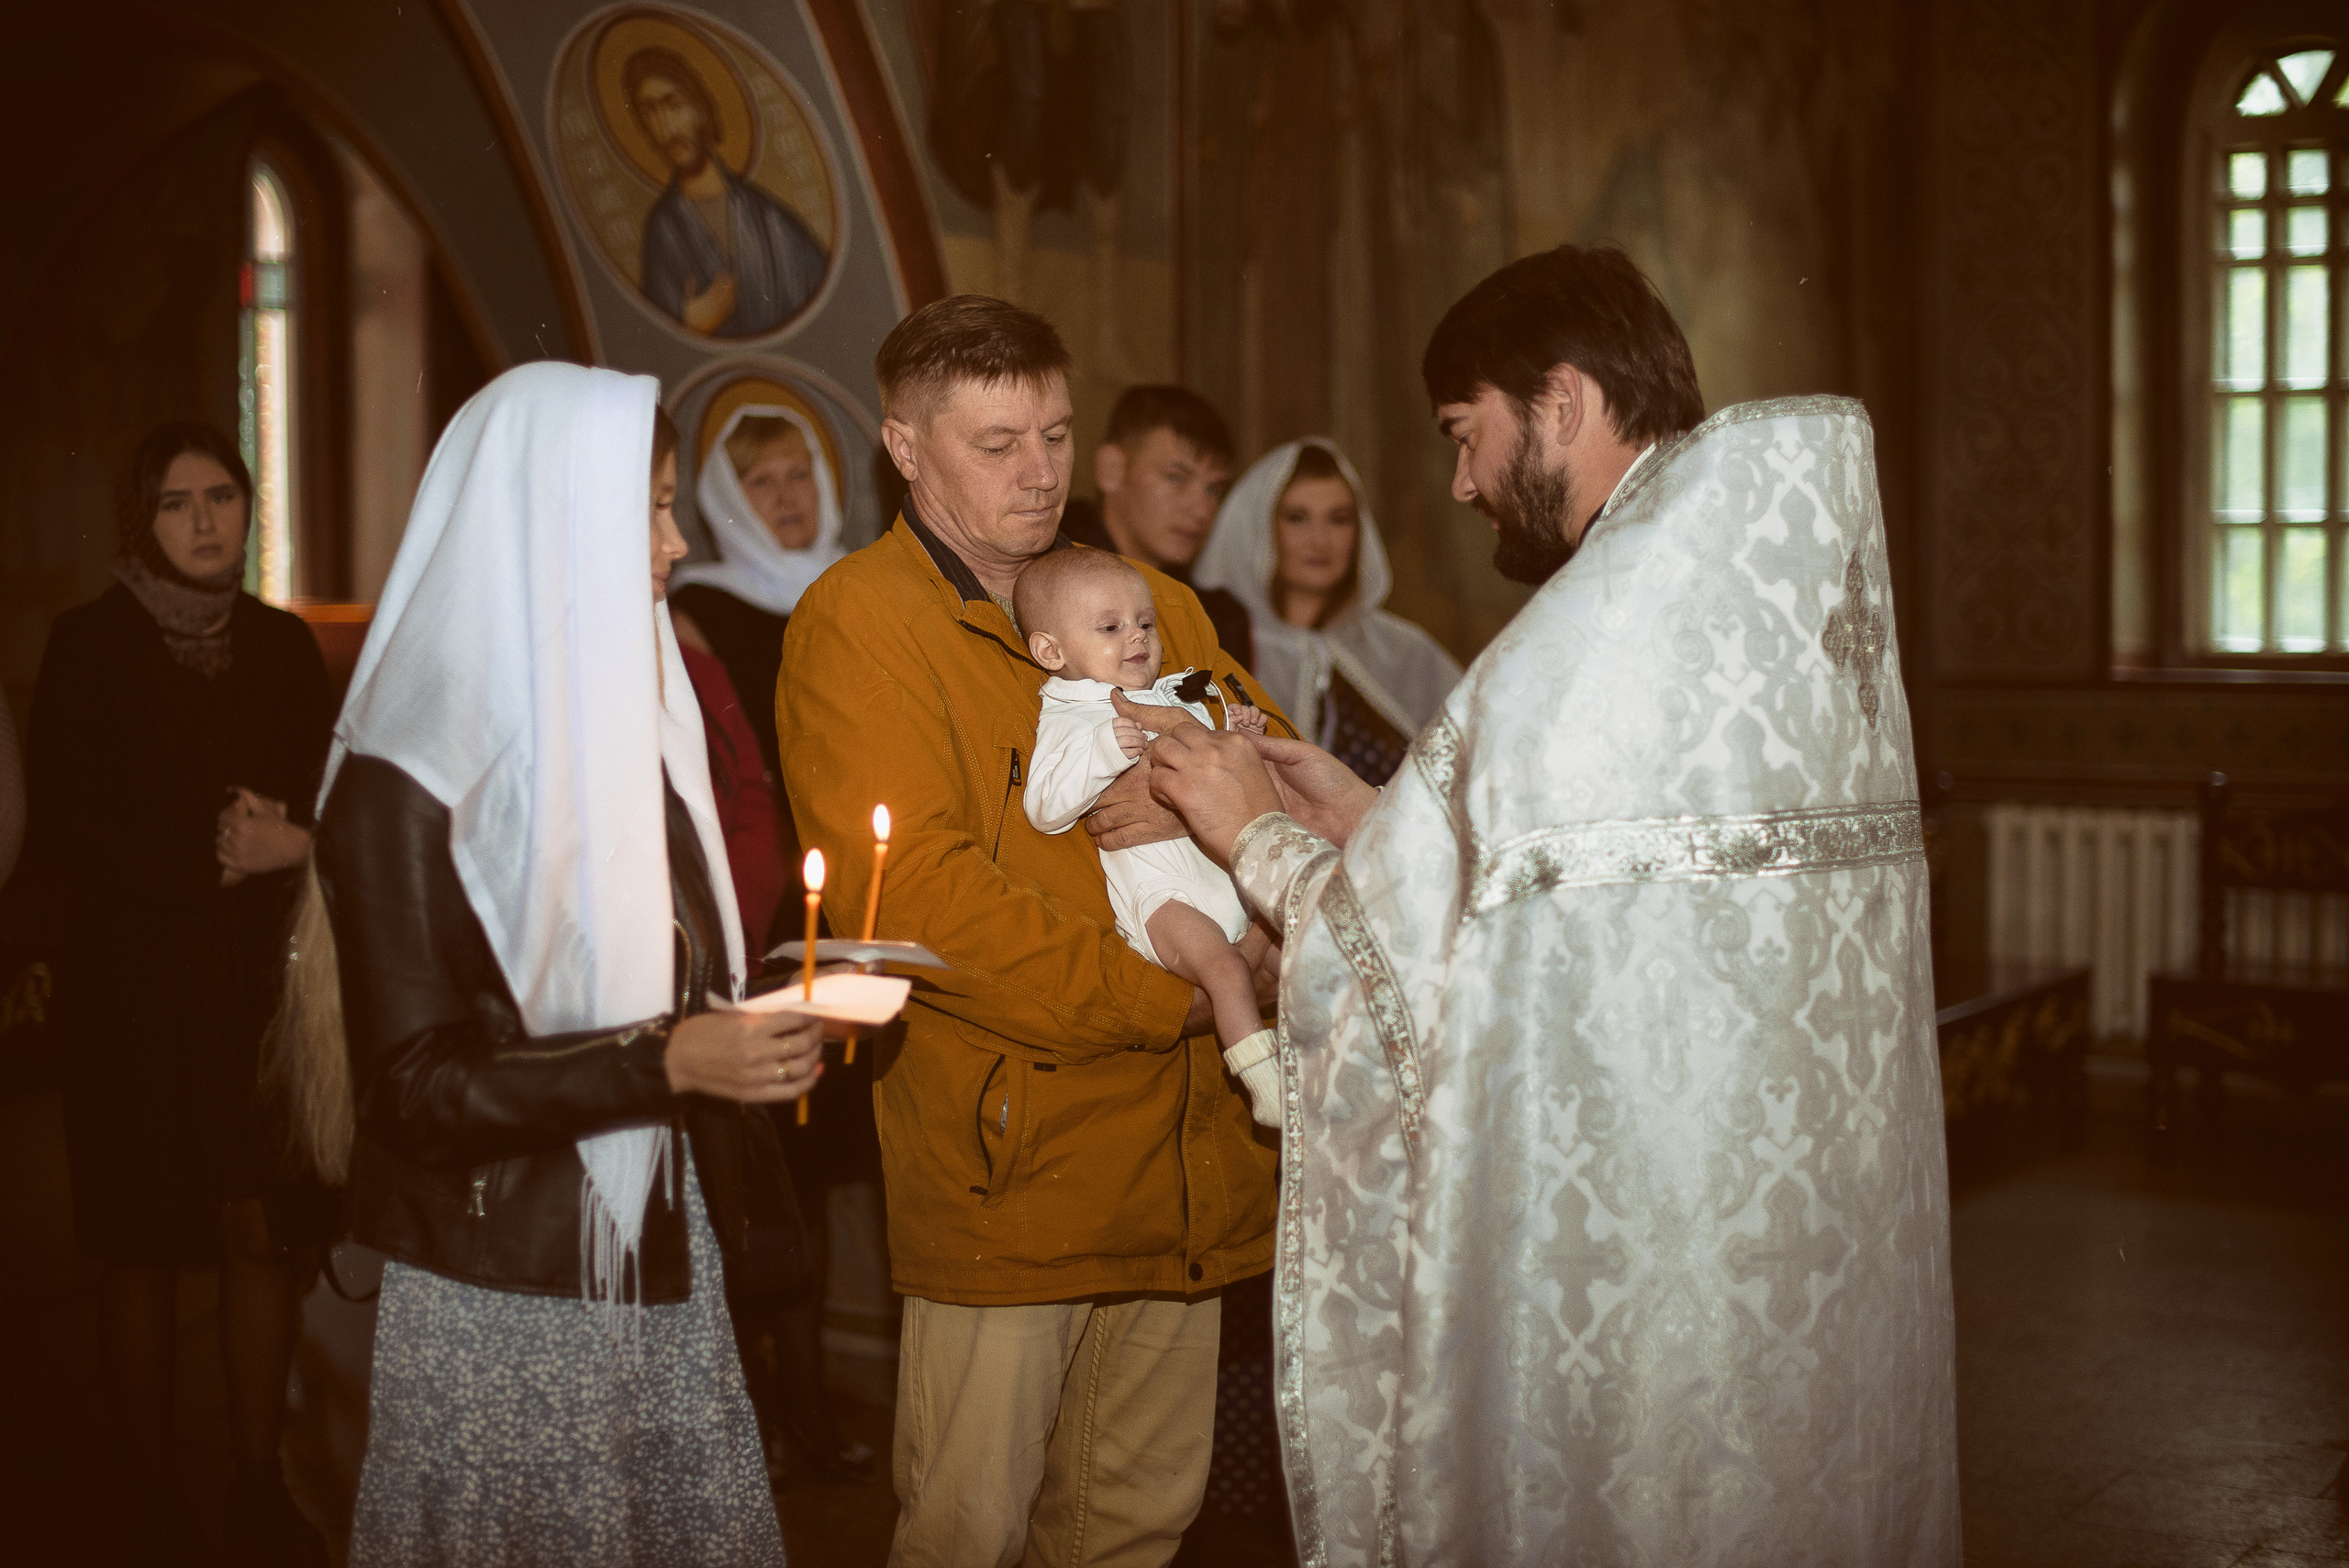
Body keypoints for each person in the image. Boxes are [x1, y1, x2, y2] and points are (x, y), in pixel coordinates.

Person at [1132, 244, 1960, 1566]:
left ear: (1561, 403)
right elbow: (1564, 885)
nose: (1460, 480)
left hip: (1653, 1271)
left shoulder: (1592, 634)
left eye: (1470, 433)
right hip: (1791, 1248)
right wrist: (1371, 818)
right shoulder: (1747, 603)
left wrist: (1263, 838)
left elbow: (1411, 980)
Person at [776, 295, 1286, 1567]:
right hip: (1014, 1163)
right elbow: (922, 898)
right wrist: (1163, 996)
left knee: (1133, 1530)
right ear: (906, 447)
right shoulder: (862, 622)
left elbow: (1268, 777)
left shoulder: (1152, 597)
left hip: (1183, 1156)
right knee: (968, 1535)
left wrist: (1269, 933)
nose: (1040, 470)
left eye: (1054, 433)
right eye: (996, 442)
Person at [292, 361, 827, 1564]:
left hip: (658, 1246)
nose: (678, 540)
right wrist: (671, 1058)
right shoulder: (411, 767)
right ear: (548, 516)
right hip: (512, 1282)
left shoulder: (630, 723)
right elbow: (413, 1089)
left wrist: (784, 1001)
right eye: (647, 507)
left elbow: (682, 970)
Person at [22, 421, 333, 1562]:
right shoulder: (88, 642)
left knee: (262, 1237)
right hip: (136, 994)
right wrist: (206, 860)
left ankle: (257, 1481)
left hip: (254, 992)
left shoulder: (286, 644)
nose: (206, 521)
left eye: (223, 497)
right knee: (143, 1246)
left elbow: (326, 795)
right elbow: (62, 816)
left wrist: (285, 843)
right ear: (138, 522)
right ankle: (152, 1494)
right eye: (175, 503)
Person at [1016, 548, 1276, 1107]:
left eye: (1145, 624)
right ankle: (1264, 1083)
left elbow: (1224, 761)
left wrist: (1239, 731)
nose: (1137, 638)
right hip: (1165, 893)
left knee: (1298, 952)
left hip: (1226, 875)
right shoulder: (1069, 715)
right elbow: (1044, 806)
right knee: (1227, 973)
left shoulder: (1165, 691)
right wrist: (1104, 752)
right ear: (1050, 650)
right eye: (1110, 628)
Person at [1192, 437, 1460, 785]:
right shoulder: (1222, 648)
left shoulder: (1404, 649)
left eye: (1339, 519)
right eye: (1297, 518)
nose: (1320, 540)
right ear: (1261, 528)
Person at [670, 401, 849, 792]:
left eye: (799, 475)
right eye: (761, 481)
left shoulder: (865, 581)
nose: (785, 497)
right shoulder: (700, 611)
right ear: (726, 499)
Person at [629, 47, 830, 337]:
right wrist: (689, 322)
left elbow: (821, 302)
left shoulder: (769, 216)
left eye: (674, 105)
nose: (667, 128)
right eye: (650, 112)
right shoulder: (662, 230)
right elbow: (653, 337)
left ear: (700, 109)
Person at [1062, 384, 1254, 666]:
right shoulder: (1045, 570)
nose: (1202, 510)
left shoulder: (1216, 618)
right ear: (1112, 469)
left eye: (1214, 490)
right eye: (1176, 478)